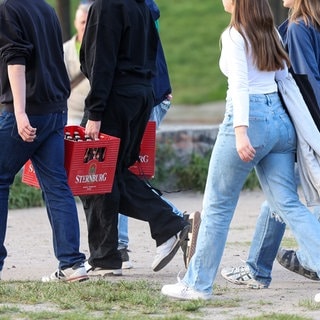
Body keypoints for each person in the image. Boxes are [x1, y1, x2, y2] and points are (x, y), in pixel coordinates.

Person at [161, 0, 320, 300]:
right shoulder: (270, 32)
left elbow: (240, 87)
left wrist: (241, 132)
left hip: (249, 120)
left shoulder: (234, 36)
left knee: (218, 207)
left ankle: (197, 285)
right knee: (289, 204)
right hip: (280, 123)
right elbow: (285, 81)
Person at [78, 0, 190, 277]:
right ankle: (111, 253)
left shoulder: (106, 6)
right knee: (113, 175)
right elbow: (153, 54)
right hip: (139, 96)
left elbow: (101, 60)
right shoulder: (140, 5)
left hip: (116, 98)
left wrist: (95, 111)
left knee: (90, 176)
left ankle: (166, 225)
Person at [220, 0, 320, 289]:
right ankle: (259, 267)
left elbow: (303, 82)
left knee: (284, 196)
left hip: (305, 122)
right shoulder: (300, 26)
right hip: (303, 122)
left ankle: (271, 265)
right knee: (280, 194)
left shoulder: (299, 28)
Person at [0, 0, 88, 282]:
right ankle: (72, 264)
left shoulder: (8, 8)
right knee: (56, 185)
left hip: (27, 111)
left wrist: (20, 111)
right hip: (54, 110)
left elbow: (15, 60)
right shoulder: (46, 9)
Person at [63, 3, 91, 126]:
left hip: (95, 114)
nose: (86, 26)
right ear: (75, 23)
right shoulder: (65, 49)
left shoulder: (103, 50)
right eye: (82, 22)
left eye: (89, 22)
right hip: (72, 115)